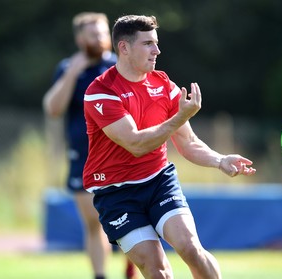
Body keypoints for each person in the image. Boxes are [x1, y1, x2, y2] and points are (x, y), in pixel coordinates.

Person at [83, 15, 256, 279]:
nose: (157, 50)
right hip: (116, 194)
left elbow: (188, 142)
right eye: (148, 43)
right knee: (157, 269)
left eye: (156, 43)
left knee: (190, 248)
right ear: (124, 48)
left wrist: (220, 160)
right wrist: (179, 117)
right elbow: (135, 143)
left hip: (158, 182)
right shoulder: (101, 91)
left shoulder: (164, 85)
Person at [43, 12, 137, 279]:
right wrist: (73, 71)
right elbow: (53, 108)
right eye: (93, 33)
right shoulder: (67, 68)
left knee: (128, 218)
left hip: (118, 155)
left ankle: (132, 268)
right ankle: (100, 275)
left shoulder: (117, 66)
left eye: (103, 32)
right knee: (93, 223)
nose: (100, 38)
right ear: (80, 38)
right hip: (82, 157)